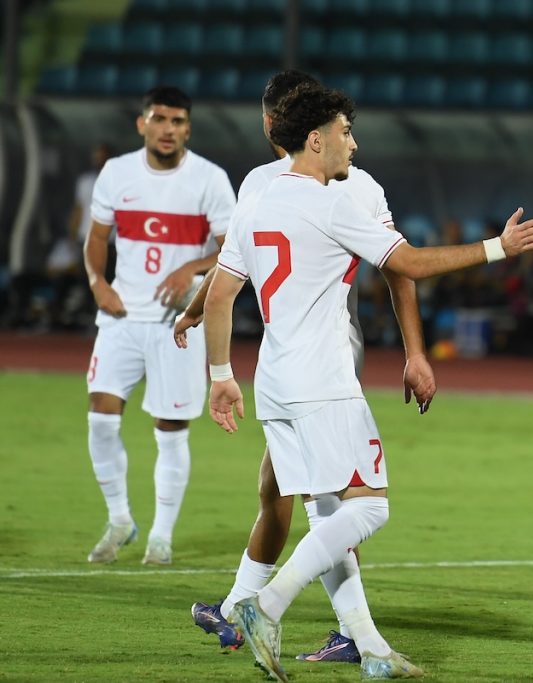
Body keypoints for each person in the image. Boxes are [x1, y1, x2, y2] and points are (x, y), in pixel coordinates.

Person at [203, 82, 533, 681]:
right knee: (370, 510)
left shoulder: (254, 199)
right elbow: (408, 263)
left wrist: (220, 377)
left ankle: (371, 648)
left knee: (331, 512)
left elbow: (220, 297)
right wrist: (497, 247)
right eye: (344, 133)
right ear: (316, 139)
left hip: (275, 383)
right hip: (325, 381)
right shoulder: (334, 202)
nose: (351, 144)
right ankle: (265, 605)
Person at [179, 70, 437, 664]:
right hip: (312, 356)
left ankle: (255, 608)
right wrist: (414, 351)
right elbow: (403, 267)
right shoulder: (344, 186)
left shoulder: (293, 186)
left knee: (314, 496)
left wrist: (205, 329)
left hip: (309, 358)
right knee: (308, 495)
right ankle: (323, 627)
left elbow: (230, 274)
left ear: (273, 125)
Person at [82, 86, 236, 566]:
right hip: (122, 316)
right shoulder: (117, 172)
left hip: (178, 323)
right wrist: (97, 283)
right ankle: (120, 519)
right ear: (142, 123)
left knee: (170, 430)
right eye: (160, 119)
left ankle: (161, 537)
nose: (168, 129)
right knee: (100, 418)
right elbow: (97, 238)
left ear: (188, 128)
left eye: (177, 121)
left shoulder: (209, 179)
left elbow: (232, 249)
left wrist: (190, 268)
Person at [46, 143, 113, 329]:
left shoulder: (118, 181)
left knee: (108, 279)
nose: (98, 160)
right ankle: (90, 315)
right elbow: (79, 208)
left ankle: (105, 318)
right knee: (87, 280)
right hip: (87, 237)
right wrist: (72, 233)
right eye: (96, 156)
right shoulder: (85, 181)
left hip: (111, 240)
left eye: (102, 156)